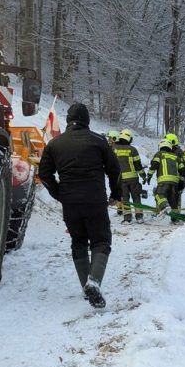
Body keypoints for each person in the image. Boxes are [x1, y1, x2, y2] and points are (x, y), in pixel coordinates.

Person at [39, 103, 121, 308]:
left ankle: (86, 286)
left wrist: (60, 194)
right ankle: (93, 282)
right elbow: (114, 170)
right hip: (95, 200)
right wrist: (116, 194)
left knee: (78, 242)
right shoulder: (98, 141)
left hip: (70, 203)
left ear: (68, 120)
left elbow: (44, 175)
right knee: (101, 241)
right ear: (87, 120)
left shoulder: (54, 144)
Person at [145, 138, 185, 217]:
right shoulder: (175, 156)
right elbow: (182, 170)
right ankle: (175, 218)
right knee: (172, 199)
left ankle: (164, 206)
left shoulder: (159, 154)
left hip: (164, 180)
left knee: (158, 194)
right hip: (175, 182)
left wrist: (149, 176)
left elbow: (154, 165)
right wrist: (181, 182)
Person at [113, 128, 145, 223]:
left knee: (125, 198)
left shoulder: (115, 149)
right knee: (136, 197)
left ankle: (127, 218)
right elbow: (138, 165)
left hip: (121, 179)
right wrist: (143, 176)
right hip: (133, 178)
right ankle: (139, 217)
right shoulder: (132, 149)